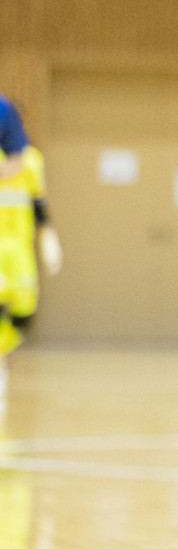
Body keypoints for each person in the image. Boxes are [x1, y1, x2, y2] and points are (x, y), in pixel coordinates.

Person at [0, 143, 64, 397]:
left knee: (25, 306)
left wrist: (50, 240)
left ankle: (4, 348)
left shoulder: (31, 160)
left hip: (20, 250)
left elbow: (38, 205)